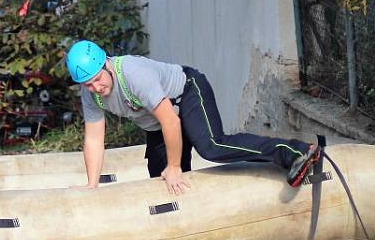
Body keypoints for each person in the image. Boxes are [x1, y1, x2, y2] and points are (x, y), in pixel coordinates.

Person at [66, 40, 322, 193]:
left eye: (97, 79)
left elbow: (171, 120)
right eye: (87, 84)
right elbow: (94, 140)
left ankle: (296, 152)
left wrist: (175, 166)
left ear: (106, 64)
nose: (95, 87)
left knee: (212, 146)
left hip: (187, 92)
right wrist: (92, 185)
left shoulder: (133, 73)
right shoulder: (91, 94)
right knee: (161, 182)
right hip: (158, 123)